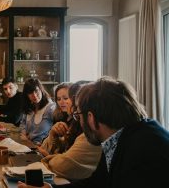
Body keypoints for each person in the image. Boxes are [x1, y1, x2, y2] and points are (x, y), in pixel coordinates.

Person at [18, 76, 169, 188]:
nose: (79, 122)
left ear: (90, 117)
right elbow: (94, 184)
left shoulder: (146, 150)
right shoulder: (118, 138)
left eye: (78, 116)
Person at [36, 81, 101, 181]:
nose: (64, 102)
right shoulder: (68, 121)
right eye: (58, 99)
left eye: (67, 98)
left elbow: (64, 164)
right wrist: (53, 134)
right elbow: (45, 149)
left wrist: (49, 157)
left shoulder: (91, 132)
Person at [20, 78, 56, 144]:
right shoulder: (29, 106)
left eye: (36, 91)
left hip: (43, 147)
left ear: (41, 90)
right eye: (30, 93)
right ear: (27, 95)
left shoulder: (51, 108)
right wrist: (24, 133)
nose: (34, 95)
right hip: (28, 144)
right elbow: (23, 123)